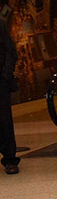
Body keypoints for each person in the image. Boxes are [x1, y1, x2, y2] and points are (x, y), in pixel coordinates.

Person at [0, 14, 18, 175]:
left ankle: (10, 159)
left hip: (1, 82)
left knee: (4, 121)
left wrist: (5, 77)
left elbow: (11, 51)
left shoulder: (1, 24)